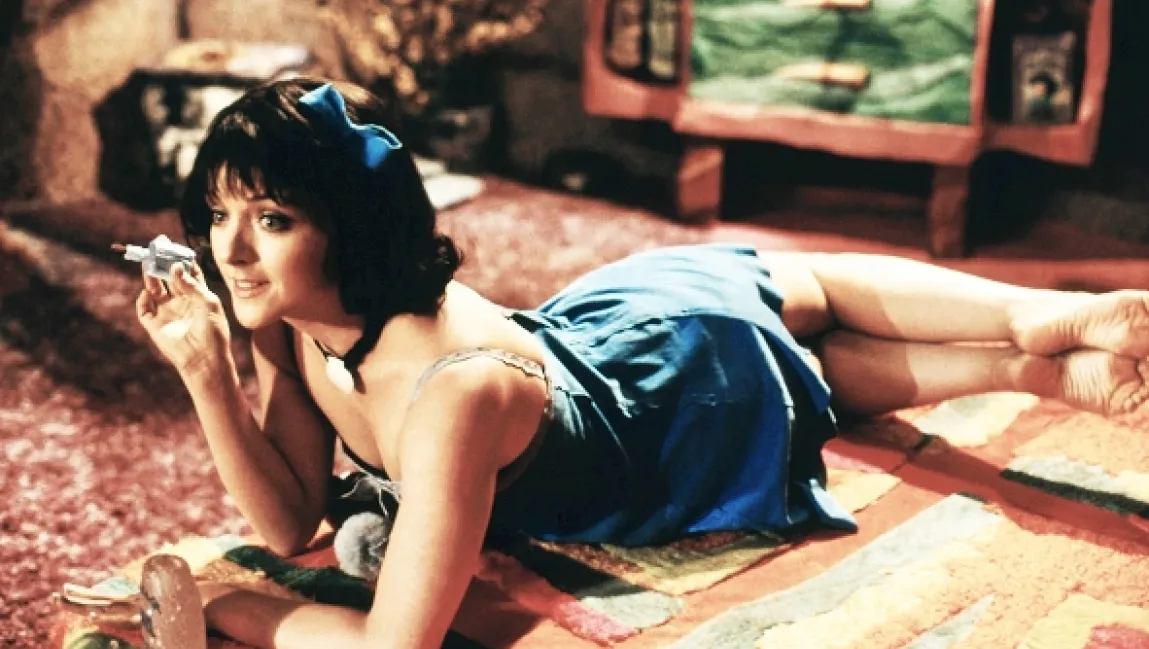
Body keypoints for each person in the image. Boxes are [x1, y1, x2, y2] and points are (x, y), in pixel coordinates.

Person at [132, 76, 1148, 649]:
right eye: (217, 214)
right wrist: (209, 376)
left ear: (347, 226)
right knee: (816, 373)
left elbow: (394, 645)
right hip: (592, 357)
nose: (231, 250)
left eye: (272, 219)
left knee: (805, 299)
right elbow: (289, 520)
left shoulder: (450, 393)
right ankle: (1043, 370)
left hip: (665, 384)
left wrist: (229, 604)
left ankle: (1050, 317)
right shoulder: (296, 325)